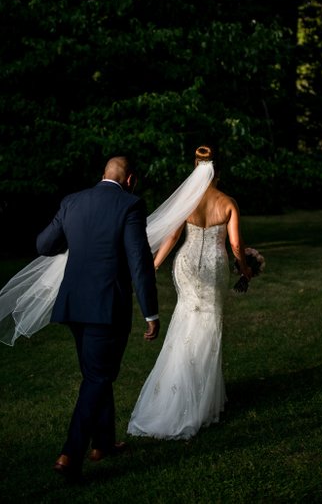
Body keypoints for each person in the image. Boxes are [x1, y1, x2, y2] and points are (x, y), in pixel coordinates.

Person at [35, 156, 159, 479]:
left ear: (102, 173)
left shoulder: (72, 201)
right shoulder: (130, 206)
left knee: (96, 373)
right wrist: (151, 312)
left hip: (74, 305)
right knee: (98, 378)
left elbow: (44, 244)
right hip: (107, 308)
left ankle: (102, 443)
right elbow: (139, 262)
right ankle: (69, 454)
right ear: (130, 179)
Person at [127, 145, 251, 440]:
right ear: (217, 173)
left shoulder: (187, 201)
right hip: (214, 267)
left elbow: (170, 237)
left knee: (184, 321)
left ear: (196, 170)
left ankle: (174, 393)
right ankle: (201, 401)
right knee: (209, 326)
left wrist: (153, 265)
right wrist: (245, 269)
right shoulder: (227, 202)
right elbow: (235, 246)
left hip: (186, 266)